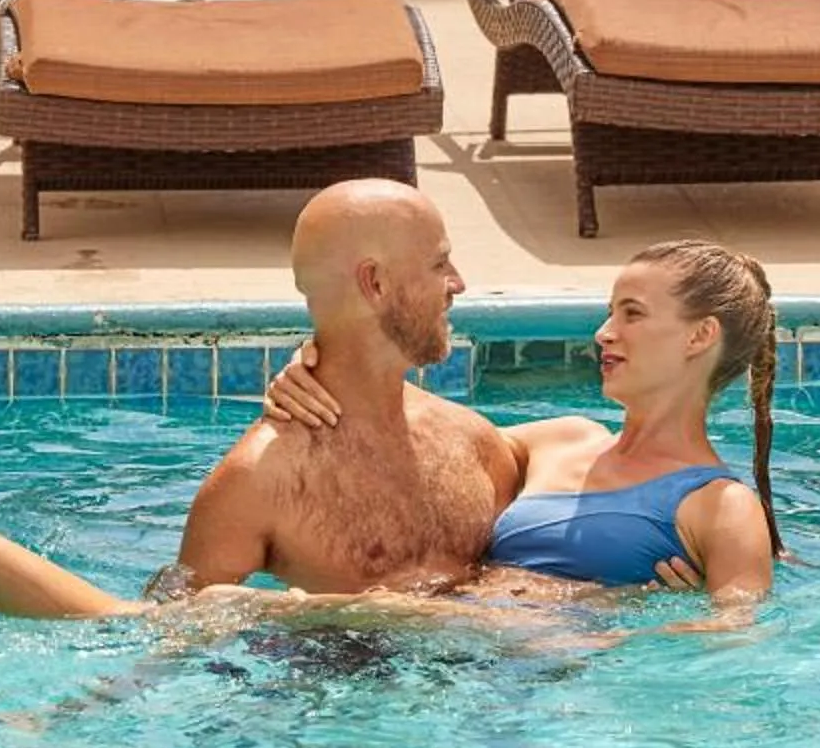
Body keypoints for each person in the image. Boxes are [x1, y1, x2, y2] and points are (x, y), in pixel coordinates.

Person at [0, 178, 520, 618]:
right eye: (439, 263)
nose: (458, 282)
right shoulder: (260, 482)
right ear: (375, 284)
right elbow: (161, 648)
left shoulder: (476, 442)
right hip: (335, 734)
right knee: (148, 621)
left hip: (465, 722)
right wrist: (68, 721)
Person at [265, 240, 784, 616]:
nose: (604, 333)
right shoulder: (559, 440)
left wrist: (642, 614)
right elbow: (417, 427)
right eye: (610, 313)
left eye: (632, 314)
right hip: (444, 648)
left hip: (546, 684)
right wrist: (318, 369)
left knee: (248, 611)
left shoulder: (724, 508)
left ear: (700, 336)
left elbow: (734, 644)